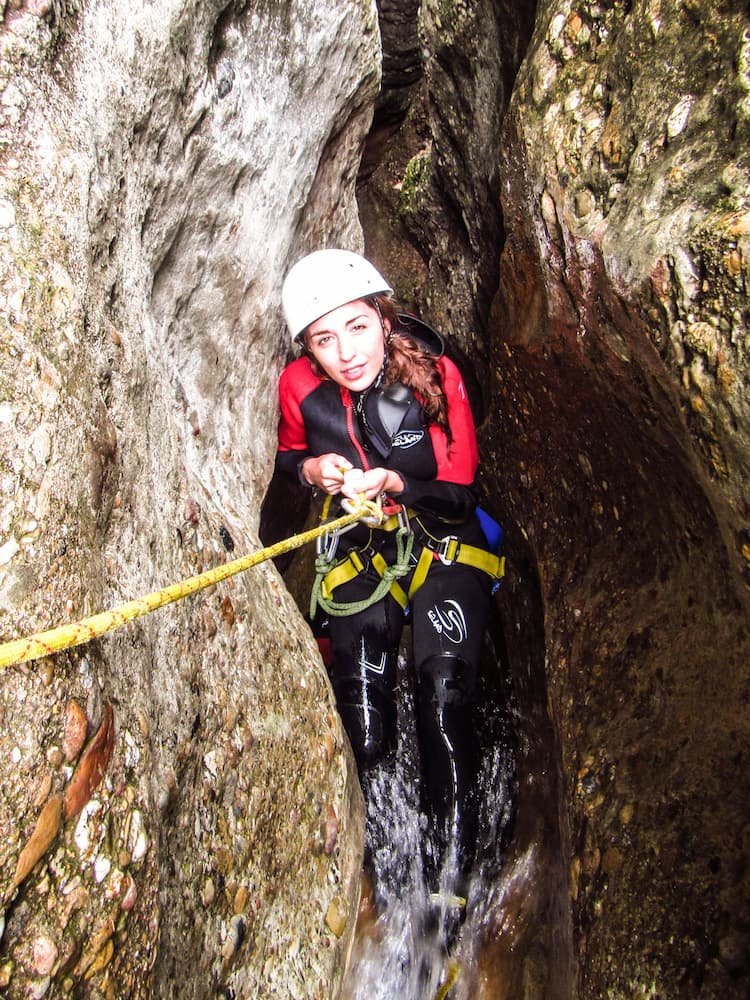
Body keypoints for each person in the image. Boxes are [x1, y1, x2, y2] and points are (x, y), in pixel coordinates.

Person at [275, 249, 503, 903]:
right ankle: (372, 866)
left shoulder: (433, 375)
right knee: (368, 734)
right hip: (362, 546)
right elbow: (292, 456)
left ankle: (448, 888)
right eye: (324, 338)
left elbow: (461, 491)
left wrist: (399, 481)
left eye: (356, 327)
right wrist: (313, 472)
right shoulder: (299, 389)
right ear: (308, 350)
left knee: (442, 701)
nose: (345, 353)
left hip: (442, 540)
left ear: (382, 318)